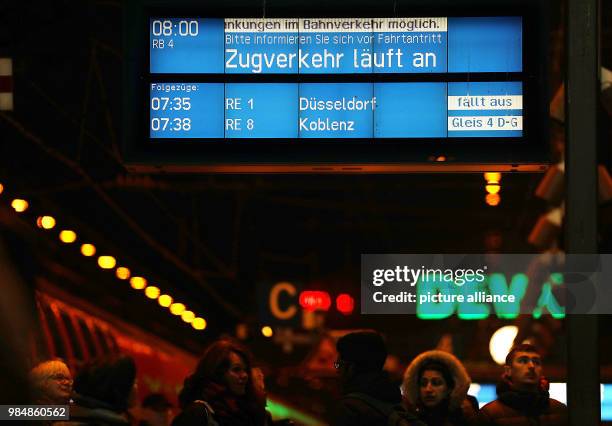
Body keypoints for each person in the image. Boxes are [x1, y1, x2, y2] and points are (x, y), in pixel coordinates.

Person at [334, 330, 424, 426]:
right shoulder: (402, 402)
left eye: (338, 365)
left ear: (351, 368)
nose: (337, 371)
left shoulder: (349, 408)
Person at [172, 339, 266, 426]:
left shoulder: (243, 414)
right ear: (218, 374)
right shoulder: (198, 413)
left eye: (245, 370)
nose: (245, 375)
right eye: (236, 369)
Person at [477, 343, 567, 426]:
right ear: (508, 371)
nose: (531, 366)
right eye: (523, 361)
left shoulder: (560, 410)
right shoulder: (490, 414)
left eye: (536, 362)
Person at [402, 350, 478, 426]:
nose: (428, 389)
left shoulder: (466, 418)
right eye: (423, 384)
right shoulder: (407, 419)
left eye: (436, 383)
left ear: (450, 388)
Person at [63, 355, 138, 425]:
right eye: (133, 381)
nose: (135, 387)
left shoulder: (59, 412)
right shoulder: (112, 422)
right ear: (120, 386)